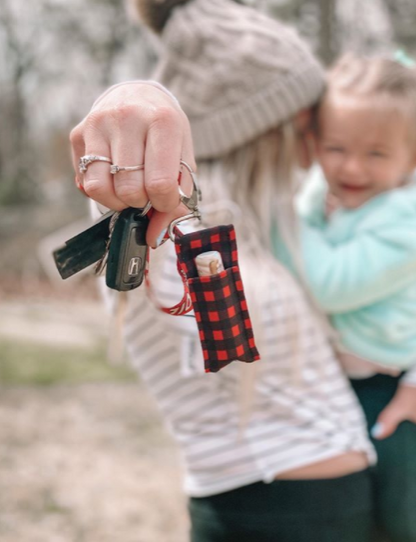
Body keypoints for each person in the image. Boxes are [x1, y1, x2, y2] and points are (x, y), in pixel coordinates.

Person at [70, 1, 376, 540]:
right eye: (304, 122)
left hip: (317, 507)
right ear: (261, 128)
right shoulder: (171, 220)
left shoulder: (254, 229)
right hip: (273, 512)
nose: (313, 149)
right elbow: (125, 189)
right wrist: (136, 97)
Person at [275, 53, 416, 541]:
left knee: (401, 517)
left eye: (377, 154)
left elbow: (327, 284)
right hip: (336, 381)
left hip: (390, 389)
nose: (352, 166)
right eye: (336, 148)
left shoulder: (405, 219)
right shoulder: (332, 199)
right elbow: (309, 204)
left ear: (412, 158)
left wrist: (276, 216)